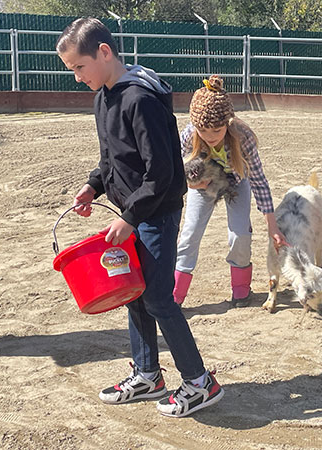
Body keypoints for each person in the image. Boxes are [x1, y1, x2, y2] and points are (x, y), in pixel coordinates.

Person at [56, 17, 224, 418]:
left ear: (104, 52)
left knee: (158, 298)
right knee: (134, 291)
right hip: (131, 213)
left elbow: (161, 173)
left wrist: (131, 217)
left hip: (156, 213)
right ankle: (148, 373)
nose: (77, 78)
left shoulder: (140, 99)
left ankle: (201, 383)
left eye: (79, 67)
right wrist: (93, 186)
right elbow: (112, 157)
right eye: (72, 71)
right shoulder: (104, 96)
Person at [172, 75, 287, 307]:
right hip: (203, 183)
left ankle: (241, 289)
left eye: (217, 130)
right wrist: (195, 185)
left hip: (237, 182)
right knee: (190, 235)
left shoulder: (243, 138)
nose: (211, 137)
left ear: (228, 123)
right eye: (204, 130)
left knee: (240, 235)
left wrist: (272, 225)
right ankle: (175, 296)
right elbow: (174, 172)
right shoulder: (187, 136)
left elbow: (259, 181)